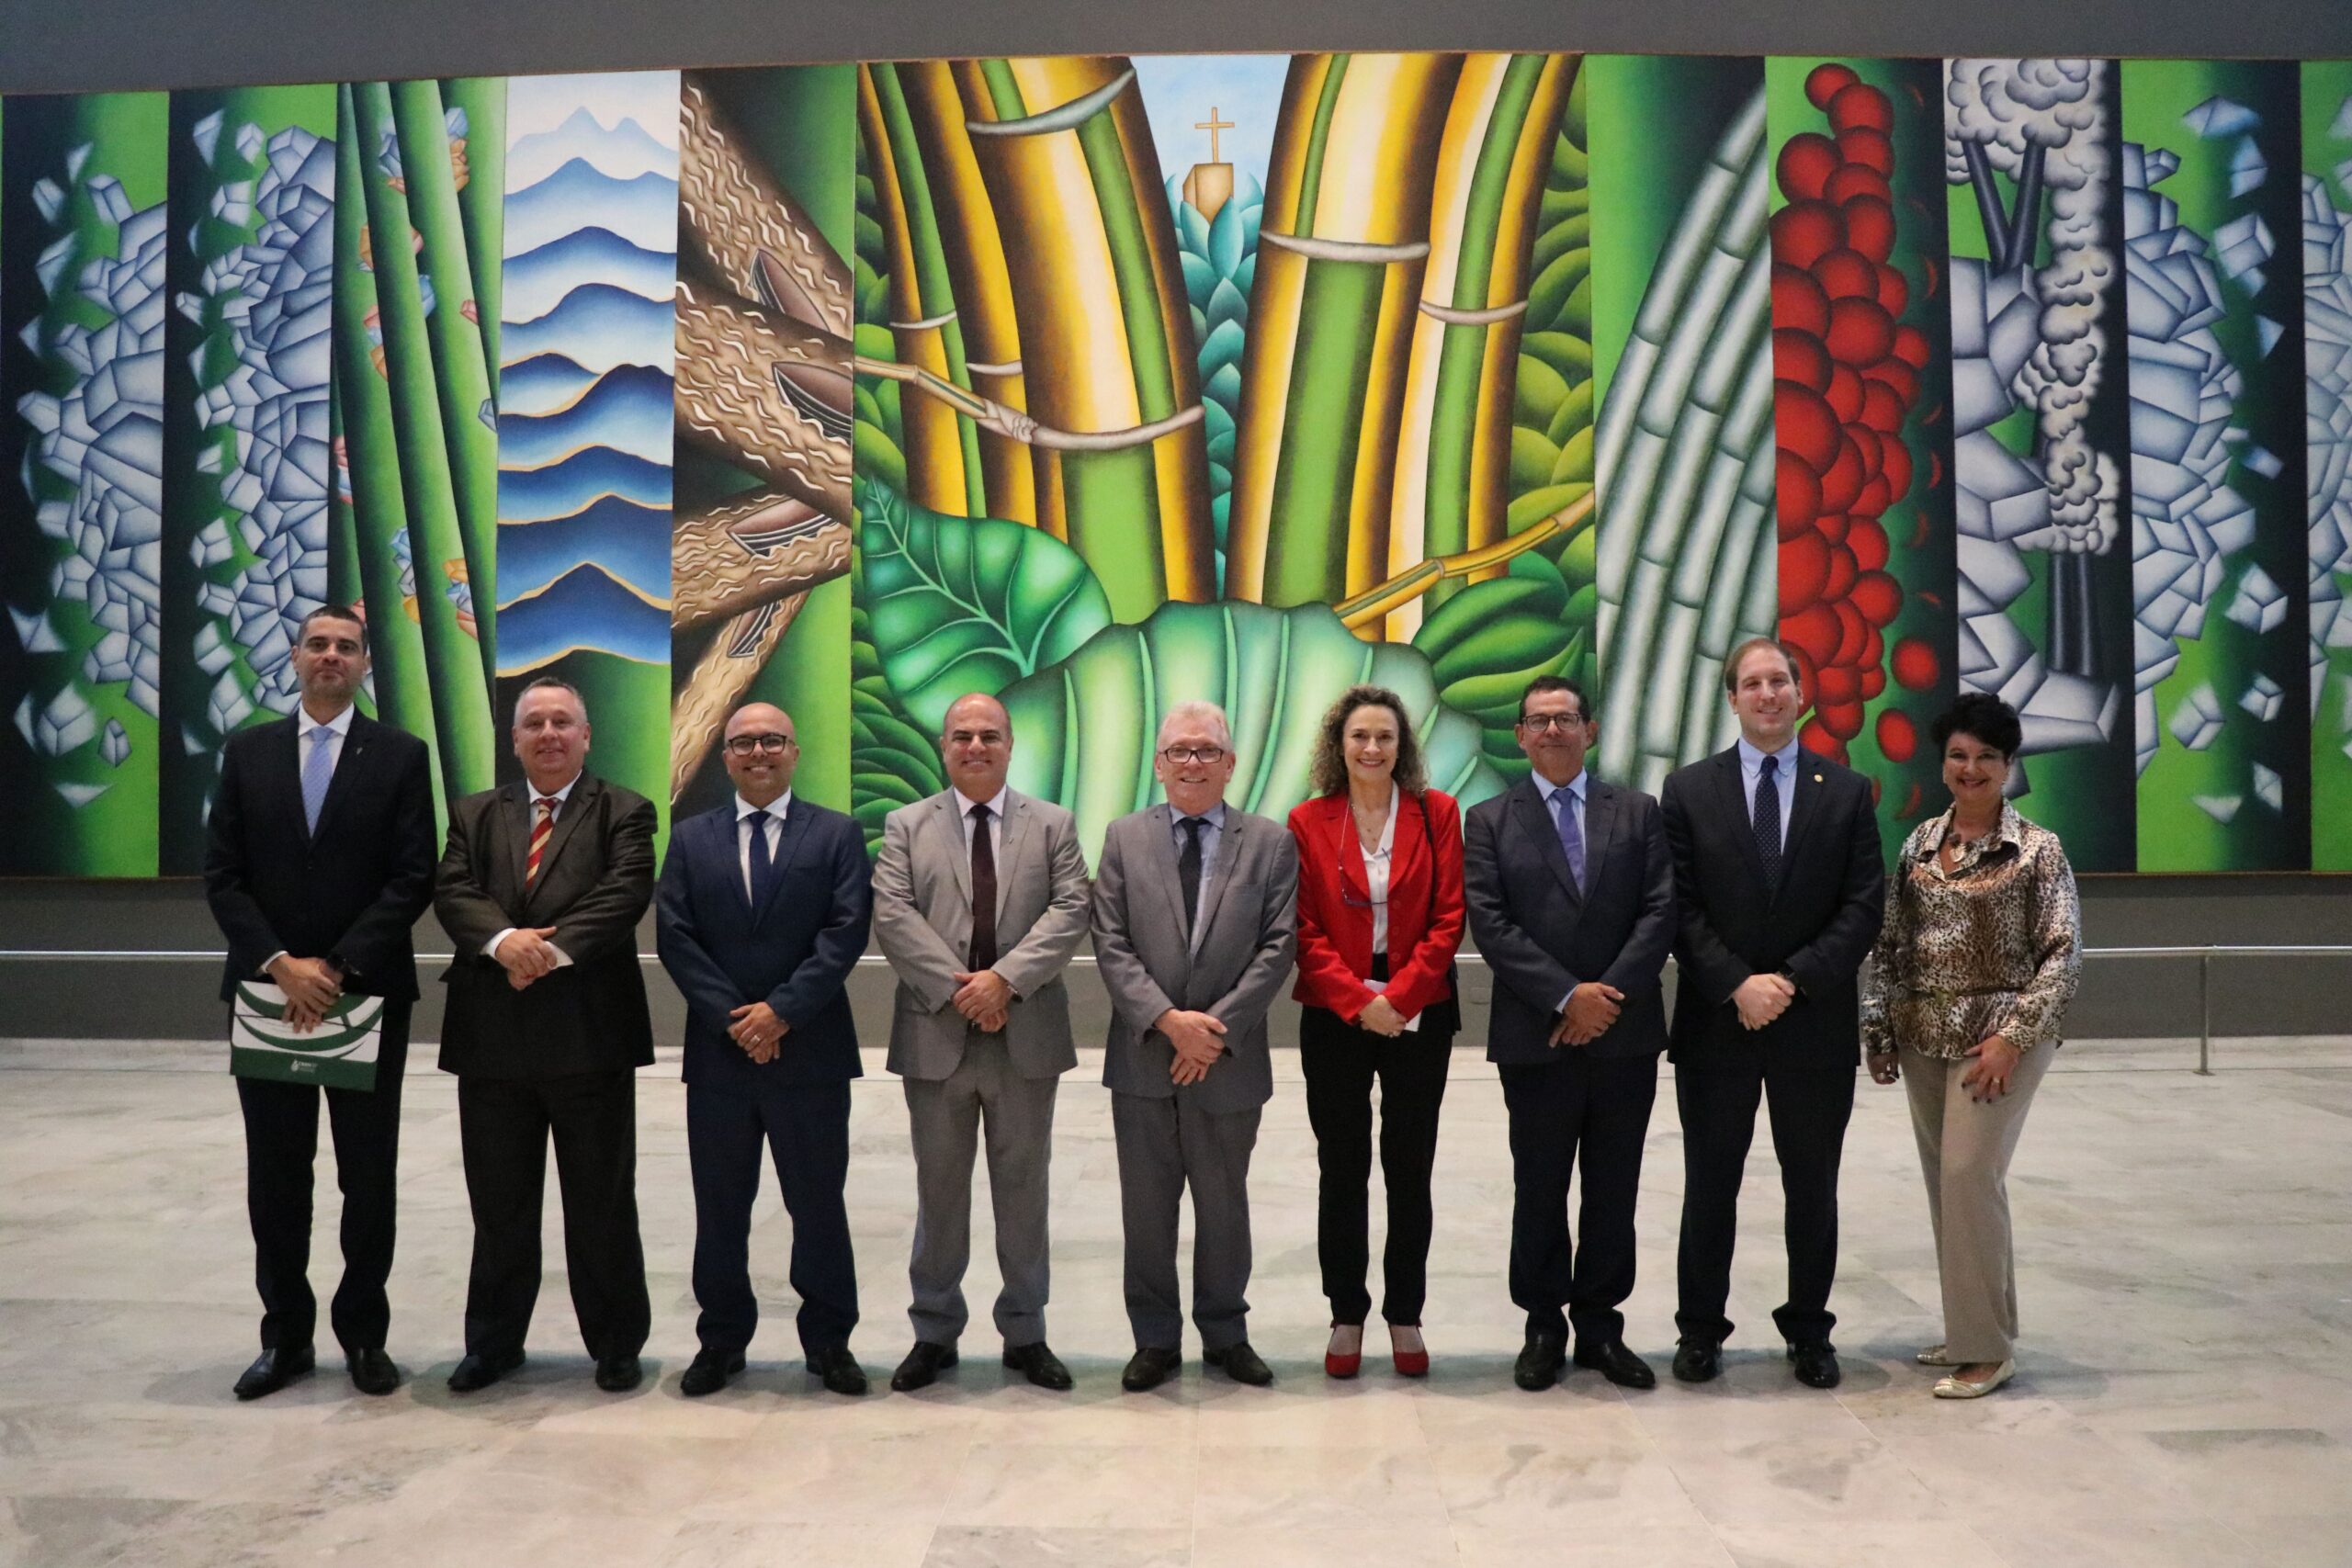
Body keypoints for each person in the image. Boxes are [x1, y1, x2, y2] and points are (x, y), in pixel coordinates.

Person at [202, 605, 436, 1400]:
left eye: (346, 646)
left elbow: (412, 876)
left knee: (367, 1176)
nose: (331, 655)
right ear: (296, 656)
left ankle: (365, 1335)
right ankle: (286, 1338)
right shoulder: (248, 752)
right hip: (267, 995)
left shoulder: (401, 755)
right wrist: (280, 963)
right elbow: (224, 875)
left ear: (366, 663)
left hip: (363, 995)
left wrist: (332, 968)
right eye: (318, 644)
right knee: (276, 1176)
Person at [1660, 637, 1885, 1389]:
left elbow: (1863, 905)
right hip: (1716, 1024)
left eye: (1779, 680)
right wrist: (1737, 983)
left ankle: (1810, 1330)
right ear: (1732, 698)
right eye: (1752, 683)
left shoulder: (1846, 791)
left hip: (1812, 1025)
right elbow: (1678, 905)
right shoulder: (1688, 790)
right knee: (1709, 1184)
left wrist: (1790, 981)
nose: (1767, 693)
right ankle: (1699, 1330)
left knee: (1813, 1187)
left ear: (1799, 693)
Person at [433, 677, 657, 1393]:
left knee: (601, 1202)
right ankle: (493, 1343)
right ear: (516, 739)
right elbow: (454, 891)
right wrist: (505, 943)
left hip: (589, 1036)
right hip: (492, 1039)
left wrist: (546, 953)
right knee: (498, 1205)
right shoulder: (473, 813)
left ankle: (616, 1343)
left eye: (563, 721)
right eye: (535, 723)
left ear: (587, 736)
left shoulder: (625, 810)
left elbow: (622, 894)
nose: (550, 733)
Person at [871, 692, 1091, 1393]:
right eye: (962, 735)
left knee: (1024, 1190)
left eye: (989, 735)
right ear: (943, 746)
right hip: (936, 1034)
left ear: (1010, 744)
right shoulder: (906, 824)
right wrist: (965, 991)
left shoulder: (1052, 824)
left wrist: (1004, 982)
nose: (975, 745)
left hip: (1025, 1036)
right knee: (939, 1192)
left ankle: (1025, 1331)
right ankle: (934, 1330)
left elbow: (1070, 909)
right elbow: (893, 914)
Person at [1862, 692, 2080, 1399]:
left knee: (1968, 1175)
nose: (1971, 767)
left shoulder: (2038, 850)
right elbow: (1890, 943)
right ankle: (1975, 1327)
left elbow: (2063, 955)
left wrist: (2012, 1039)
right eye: (1958, 754)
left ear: (2009, 764)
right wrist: (1879, 1030)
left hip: (1999, 1042)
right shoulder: (1920, 844)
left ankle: (1985, 1350)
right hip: (1924, 1037)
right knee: (1951, 1187)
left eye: (1987, 755)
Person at [655, 703, 875, 1398]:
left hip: (810, 1053)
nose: (759, 752)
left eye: (772, 740)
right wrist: (736, 1019)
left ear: (795, 751)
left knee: (818, 1204)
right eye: (744, 742)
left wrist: (781, 1012)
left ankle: (830, 1341)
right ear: (725, 756)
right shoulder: (690, 838)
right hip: (720, 1059)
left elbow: (845, 931)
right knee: (721, 1207)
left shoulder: (836, 834)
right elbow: (675, 936)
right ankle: (721, 1340)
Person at [1464, 676, 1675, 1393]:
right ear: (1520, 735)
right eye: (1538, 720)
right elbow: (1491, 923)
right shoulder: (1489, 820)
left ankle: (1601, 1325)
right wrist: (1565, 995)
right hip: (1537, 1035)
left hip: (1624, 1031)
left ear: (1591, 729)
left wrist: (1604, 996)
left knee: (1615, 1184)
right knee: (1540, 1183)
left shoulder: (1638, 812)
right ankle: (1543, 1325)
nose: (1552, 730)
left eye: (1565, 717)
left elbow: (1659, 910)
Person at [1091, 702, 1299, 1393]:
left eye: (1207, 750)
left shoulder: (1269, 843)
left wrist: (1212, 1031)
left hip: (1228, 1061)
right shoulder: (1123, 838)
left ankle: (1225, 1334)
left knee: (1224, 1207)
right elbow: (1110, 940)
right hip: (1145, 1059)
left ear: (1230, 764)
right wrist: (1167, 1020)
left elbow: (1277, 946)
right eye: (1178, 751)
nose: (1192, 763)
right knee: (1146, 1211)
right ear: (1158, 764)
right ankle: (1154, 1339)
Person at [1286, 684, 1465, 1379]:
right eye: (1358, 736)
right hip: (1336, 1013)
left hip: (1420, 1006)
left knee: (1409, 1167)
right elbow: (1303, 928)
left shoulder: (1436, 812)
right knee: (1343, 1166)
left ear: (1401, 746)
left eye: (1384, 736)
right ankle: (1346, 1313)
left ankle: (1405, 1312)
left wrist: (1402, 997)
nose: (1371, 747)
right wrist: (1359, 1003)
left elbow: (1449, 917)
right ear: (1339, 745)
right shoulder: (1308, 820)